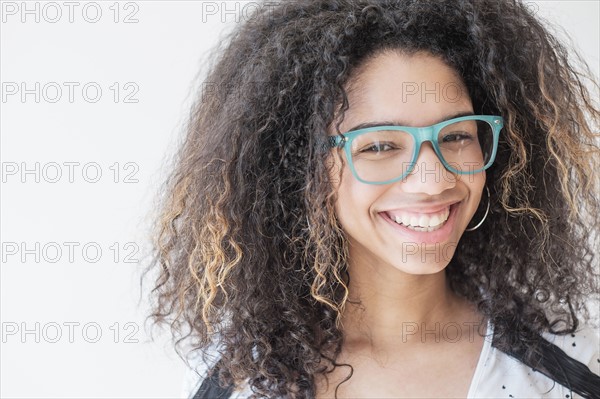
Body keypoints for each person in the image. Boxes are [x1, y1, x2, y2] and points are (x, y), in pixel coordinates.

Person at [148, 0, 600, 398]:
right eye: (379, 145)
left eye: (457, 135)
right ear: (297, 169)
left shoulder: (575, 363)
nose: (432, 179)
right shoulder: (236, 382)